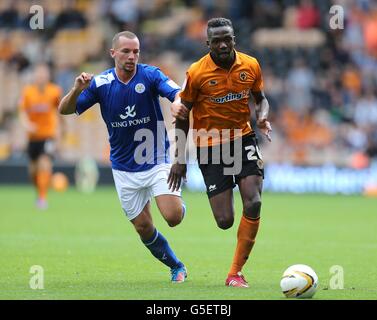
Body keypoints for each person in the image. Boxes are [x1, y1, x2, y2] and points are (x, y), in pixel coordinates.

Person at [58, 31, 187, 283]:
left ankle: (178, 202)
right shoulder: (101, 83)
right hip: (123, 167)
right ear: (113, 53)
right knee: (143, 228)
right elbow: (65, 109)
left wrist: (176, 102)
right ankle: (176, 266)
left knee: (172, 217)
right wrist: (76, 89)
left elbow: (177, 92)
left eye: (136, 51)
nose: (132, 56)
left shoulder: (150, 75)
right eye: (126, 51)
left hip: (155, 157)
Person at [168, 17, 272, 288]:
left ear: (234, 39)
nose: (223, 45)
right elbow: (182, 116)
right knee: (225, 220)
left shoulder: (250, 65)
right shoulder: (196, 73)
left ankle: (235, 273)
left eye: (228, 39)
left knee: (254, 201)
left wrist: (261, 117)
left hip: (243, 140)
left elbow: (261, 100)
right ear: (208, 44)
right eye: (217, 41)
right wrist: (180, 159)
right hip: (210, 146)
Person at [19, 63, 62, 210]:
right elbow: (22, 112)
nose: (41, 76)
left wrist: (60, 131)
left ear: (48, 76)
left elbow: (60, 111)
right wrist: (26, 124)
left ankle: (42, 199)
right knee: (33, 171)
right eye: (39, 74)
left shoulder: (54, 91)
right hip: (32, 137)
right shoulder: (27, 92)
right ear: (35, 76)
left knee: (44, 162)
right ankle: (41, 190)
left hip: (48, 135)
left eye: (44, 74)